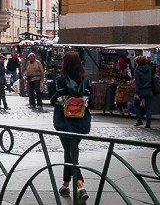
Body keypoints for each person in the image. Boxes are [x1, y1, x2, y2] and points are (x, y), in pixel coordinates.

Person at [50, 50, 92, 203]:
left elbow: (55, 98)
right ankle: (65, 185)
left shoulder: (60, 80)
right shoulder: (85, 80)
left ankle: (81, 187)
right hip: (81, 122)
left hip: (64, 122)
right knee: (70, 152)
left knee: (71, 154)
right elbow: (89, 100)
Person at [131, 55, 155, 128]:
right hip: (149, 90)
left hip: (141, 91)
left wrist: (136, 93)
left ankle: (139, 120)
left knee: (135, 105)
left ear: (137, 63)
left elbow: (137, 83)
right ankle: (148, 124)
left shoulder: (137, 70)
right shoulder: (150, 69)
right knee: (149, 108)